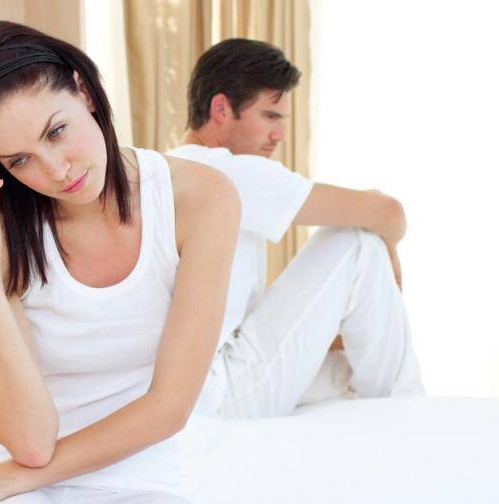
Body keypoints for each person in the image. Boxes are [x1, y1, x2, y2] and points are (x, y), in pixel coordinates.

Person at [0, 21, 239, 503]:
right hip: (2, 458)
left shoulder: (199, 199)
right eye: (19, 160)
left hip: (130, 465)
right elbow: (30, 442)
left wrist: (11, 479)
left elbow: (170, 407)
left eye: (57, 131)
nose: (56, 170)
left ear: (84, 91)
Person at [166, 38, 425, 420]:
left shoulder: (170, 166)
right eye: (270, 116)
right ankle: (414, 415)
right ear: (221, 109)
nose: (279, 134)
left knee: (350, 364)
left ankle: (396, 410)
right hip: (219, 392)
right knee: (356, 242)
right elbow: (388, 212)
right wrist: (391, 250)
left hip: (198, 384)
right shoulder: (227, 172)